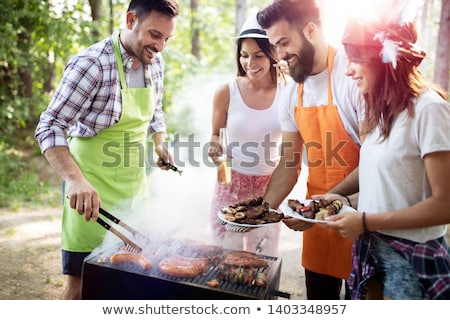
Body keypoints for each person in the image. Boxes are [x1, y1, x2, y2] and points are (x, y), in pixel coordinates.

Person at [34, 0, 179, 299]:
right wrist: (75, 181)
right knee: (81, 287)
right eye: (154, 35)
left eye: (166, 38)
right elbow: (49, 126)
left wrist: (159, 142)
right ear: (130, 20)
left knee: (135, 281)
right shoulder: (92, 64)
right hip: (90, 193)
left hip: (134, 190)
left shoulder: (156, 62)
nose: (161, 46)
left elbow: (155, 112)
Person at [323, 6, 450, 299]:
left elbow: (444, 205)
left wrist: (365, 221)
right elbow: (389, 188)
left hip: (412, 261)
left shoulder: (430, 110)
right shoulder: (380, 116)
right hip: (372, 256)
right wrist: (339, 200)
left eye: (356, 60)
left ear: (386, 61)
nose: (348, 70)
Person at [256, 0, 364, 299]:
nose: (280, 55)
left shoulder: (353, 77)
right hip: (316, 219)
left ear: (311, 29)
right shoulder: (293, 91)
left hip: (363, 211)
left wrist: (321, 207)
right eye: (275, 46)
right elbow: (289, 162)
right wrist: (261, 212)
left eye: (284, 42)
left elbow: (376, 160)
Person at [208, 13, 287, 256]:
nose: (249, 63)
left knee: (261, 263)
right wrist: (214, 148)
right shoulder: (226, 91)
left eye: (258, 55)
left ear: (272, 53)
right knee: (224, 260)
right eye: (244, 55)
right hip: (229, 185)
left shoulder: (288, 92)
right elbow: (215, 136)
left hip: (268, 189)